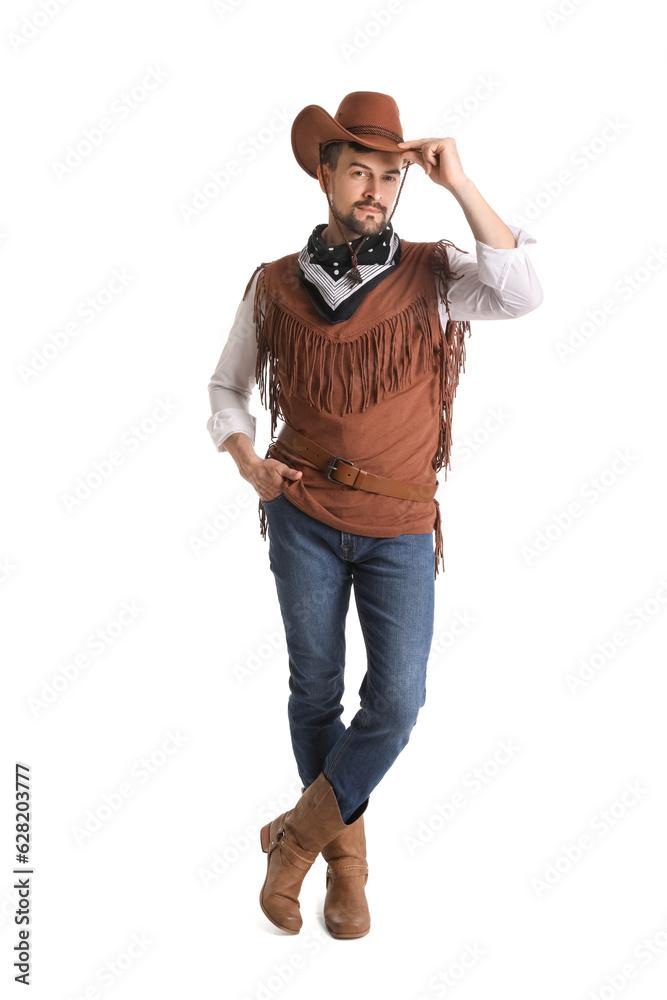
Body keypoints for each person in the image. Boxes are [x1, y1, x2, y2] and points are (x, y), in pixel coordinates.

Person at [206, 92, 543, 939]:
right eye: (358, 169)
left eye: (391, 176)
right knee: (312, 691)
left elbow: (522, 291)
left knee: (395, 701)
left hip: (398, 523)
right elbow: (226, 388)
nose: (375, 189)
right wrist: (247, 458)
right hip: (302, 512)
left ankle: (293, 844)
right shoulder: (276, 283)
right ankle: (347, 873)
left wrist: (458, 182)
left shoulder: (435, 273)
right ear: (324, 173)